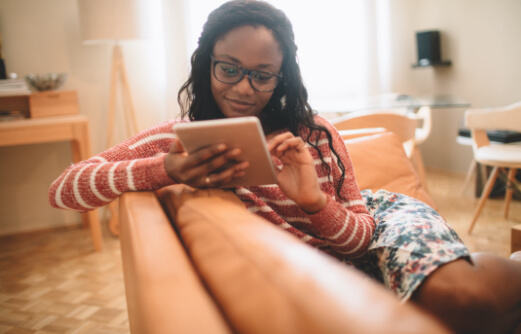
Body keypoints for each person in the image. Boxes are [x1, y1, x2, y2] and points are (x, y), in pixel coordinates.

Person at [49, 1, 521, 332]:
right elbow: (65, 189)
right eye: (228, 68)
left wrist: (314, 201)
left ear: (281, 77)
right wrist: (166, 170)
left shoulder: (314, 135)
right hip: (338, 266)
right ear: (206, 64)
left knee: (466, 301)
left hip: (381, 220)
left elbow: (360, 236)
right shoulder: (175, 141)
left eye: (262, 75)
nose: (242, 88)